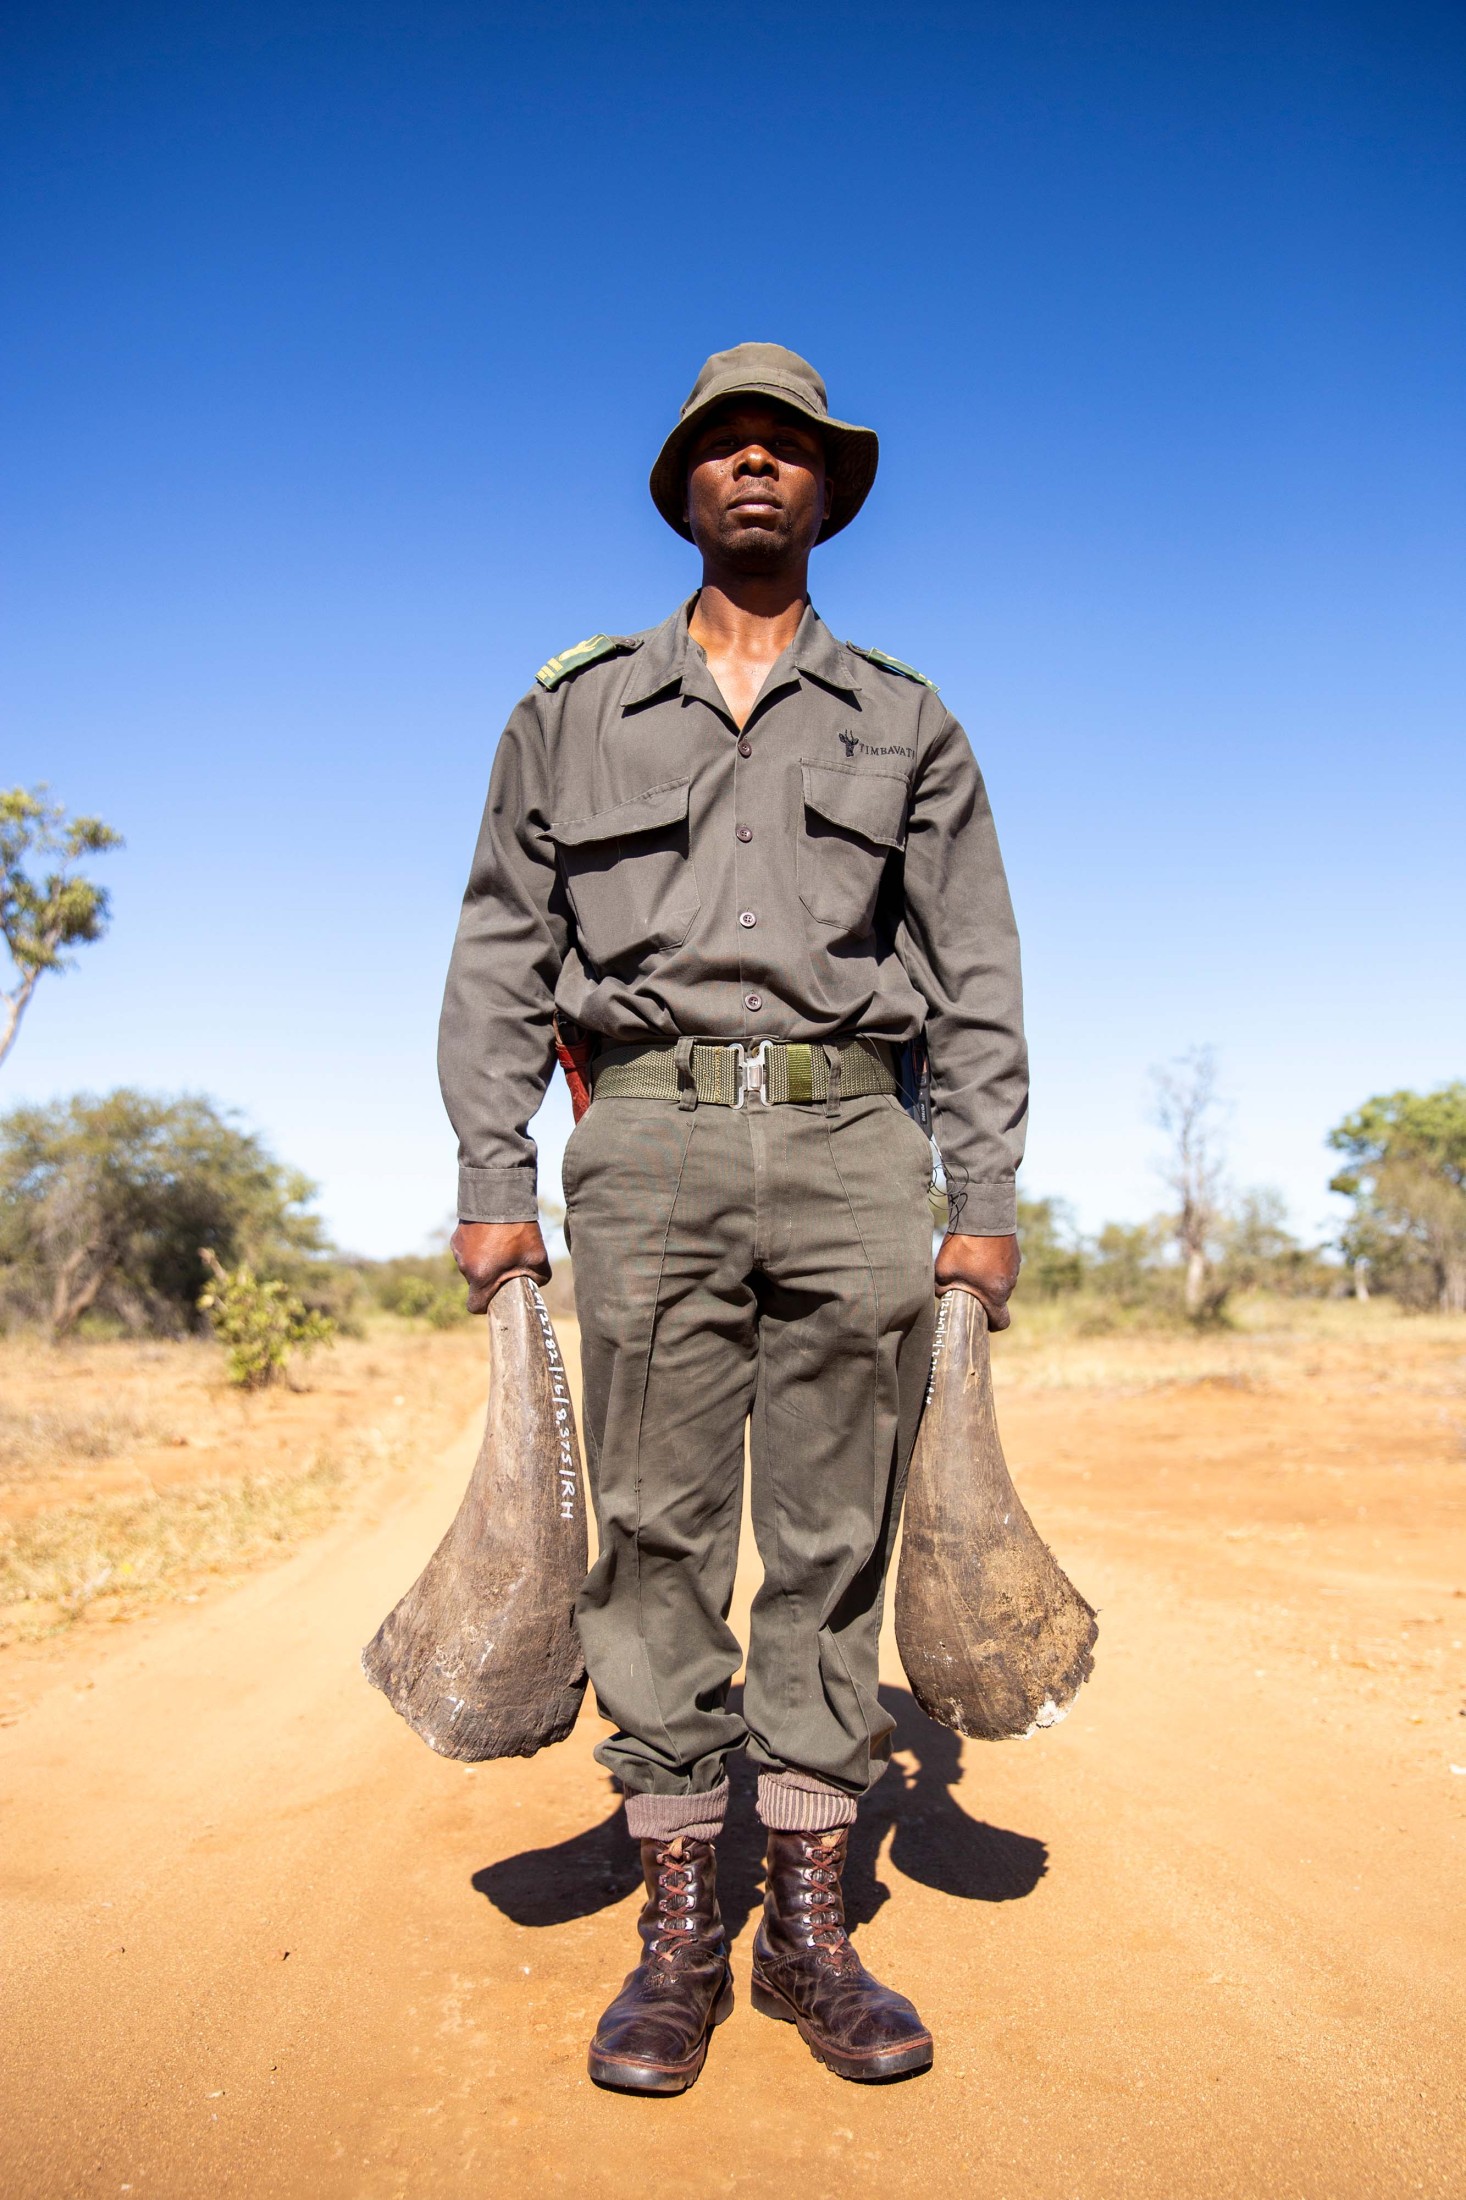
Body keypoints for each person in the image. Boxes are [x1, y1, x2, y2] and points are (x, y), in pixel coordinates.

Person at [440, 343, 1027, 2091]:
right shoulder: (569, 709)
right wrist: (494, 1177)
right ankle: (680, 1928)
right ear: (683, 489)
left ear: (828, 495)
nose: (755, 469)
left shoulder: (906, 718)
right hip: (650, 1150)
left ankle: (811, 1930)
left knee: (834, 1539)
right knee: (660, 1530)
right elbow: (496, 953)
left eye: (788, 451)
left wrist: (980, 1197)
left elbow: (977, 974)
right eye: (723, 448)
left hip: (857, 1150)